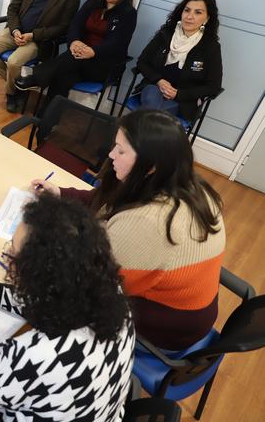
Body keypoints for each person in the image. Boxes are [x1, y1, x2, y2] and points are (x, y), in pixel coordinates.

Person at [0, 195, 135, 421]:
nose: (7, 259)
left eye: (14, 253)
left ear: (39, 273)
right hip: (103, 413)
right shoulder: (112, 295)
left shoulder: (37, 356)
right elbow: (48, 302)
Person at [32, 110, 225, 351]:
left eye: (121, 151)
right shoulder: (184, 184)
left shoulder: (147, 223)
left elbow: (91, 284)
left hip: (166, 330)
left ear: (151, 165)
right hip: (190, 306)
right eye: (115, 146)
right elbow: (108, 203)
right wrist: (61, 193)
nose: (111, 155)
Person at [15, 0, 137, 111]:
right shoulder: (93, 2)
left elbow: (116, 44)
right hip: (78, 58)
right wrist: (74, 41)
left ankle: (35, 78)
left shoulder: (128, 13)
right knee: (63, 76)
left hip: (104, 64)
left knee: (69, 60)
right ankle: (46, 119)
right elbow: (75, 25)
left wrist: (93, 51)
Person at [134, 0, 222, 122]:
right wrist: (159, 80)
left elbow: (213, 87)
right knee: (153, 104)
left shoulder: (211, 47)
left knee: (154, 112)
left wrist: (178, 94)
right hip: (154, 88)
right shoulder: (165, 34)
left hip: (183, 101)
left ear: (207, 18)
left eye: (198, 12)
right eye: (187, 10)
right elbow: (142, 62)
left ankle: (131, 131)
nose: (189, 16)